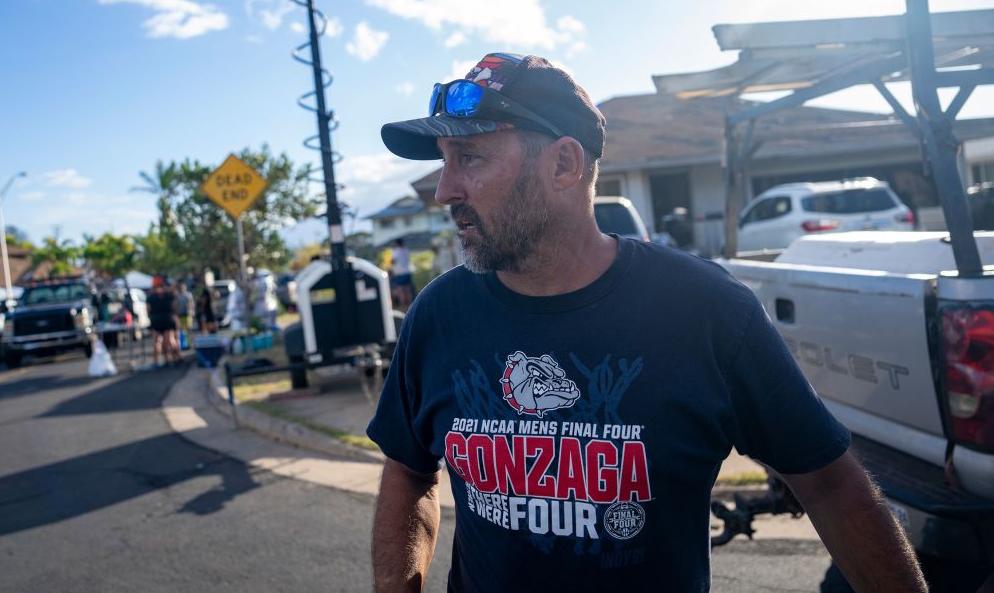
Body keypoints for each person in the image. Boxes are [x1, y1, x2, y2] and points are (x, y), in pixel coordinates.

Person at [367, 53, 926, 591]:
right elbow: (408, 470)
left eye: (470, 157)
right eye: (444, 159)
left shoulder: (703, 310)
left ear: (564, 164)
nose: (444, 189)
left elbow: (830, 487)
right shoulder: (438, 315)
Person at [145, 276, 179, 367]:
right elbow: (175, 306)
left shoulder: (151, 297)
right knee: (169, 340)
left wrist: (150, 316)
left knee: (157, 342)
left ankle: (158, 361)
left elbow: (148, 309)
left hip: (157, 319)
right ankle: (173, 359)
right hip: (167, 318)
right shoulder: (168, 295)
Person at [390, 238, 415, 310]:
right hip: (407, 271)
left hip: (400, 273)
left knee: (401, 291)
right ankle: (410, 306)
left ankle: (404, 308)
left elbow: (392, 262)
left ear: (397, 243)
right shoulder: (406, 250)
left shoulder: (396, 252)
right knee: (408, 290)